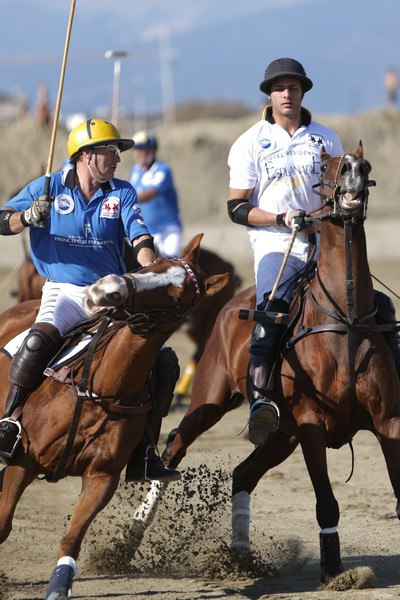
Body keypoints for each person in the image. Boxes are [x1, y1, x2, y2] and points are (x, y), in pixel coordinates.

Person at [0, 118, 180, 482]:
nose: (116, 158)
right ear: (85, 155)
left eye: (117, 152)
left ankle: (145, 453)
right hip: (64, 290)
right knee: (37, 340)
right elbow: (2, 220)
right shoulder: (48, 186)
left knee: (163, 360)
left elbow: (140, 237)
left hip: (108, 292)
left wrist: (151, 271)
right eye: (109, 151)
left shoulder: (122, 191)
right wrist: (28, 216)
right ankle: (10, 423)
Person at [227, 58, 344, 446]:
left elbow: (340, 194)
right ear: (269, 95)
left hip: (326, 242)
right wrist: (281, 217)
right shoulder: (250, 142)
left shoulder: (326, 139)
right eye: (279, 88)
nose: (287, 94)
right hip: (278, 243)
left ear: (302, 92)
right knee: (273, 308)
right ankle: (261, 403)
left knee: (372, 303)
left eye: (293, 87)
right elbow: (237, 208)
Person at [129, 130, 183, 258]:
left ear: (152, 151)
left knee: (171, 258)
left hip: (168, 228)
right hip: (148, 229)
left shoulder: (162, 169)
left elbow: (150, 194)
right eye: (136, 149)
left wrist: (126, 199)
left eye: (143, 149)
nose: (138, 153)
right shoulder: (135, 170)